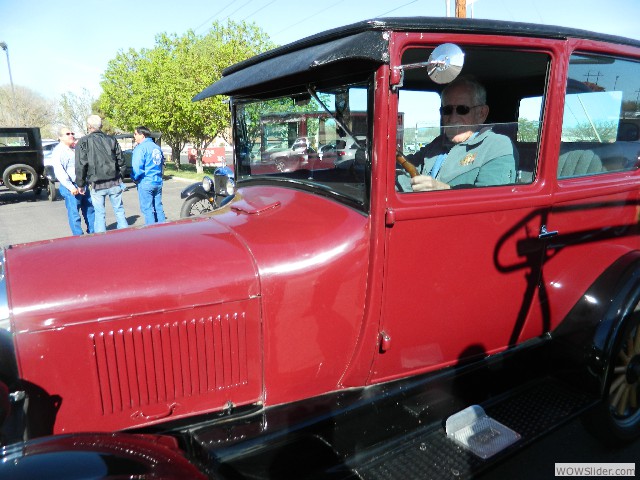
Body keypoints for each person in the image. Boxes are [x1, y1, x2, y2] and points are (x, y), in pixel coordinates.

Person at [397, 76, 517, 192]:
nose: (453, 118)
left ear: (481, 113)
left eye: (462, 109)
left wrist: (443, 190)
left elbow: (492, 201)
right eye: (447, 110)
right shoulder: (439, 144)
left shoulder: (498, 146)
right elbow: (407, 168)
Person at [75, 114, 128, 232]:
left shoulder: (83, 141)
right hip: (114, 181)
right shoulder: (111, 140)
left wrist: (80, 184)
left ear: (89, 126)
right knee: (119, 210)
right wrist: (120, 177)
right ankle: (126, 237)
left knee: (99, 214)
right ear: (101, 126)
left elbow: (81, 165)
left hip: (97, 184)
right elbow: (121, 161)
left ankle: (101, 242)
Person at [50, 127, 95, 235]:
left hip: (82, 184)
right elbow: (60, 171)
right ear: (60, 137)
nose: (71, 135)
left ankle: (93, 233)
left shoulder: (74, 149)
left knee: (89, 210)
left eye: (72, 133)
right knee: (74, 214)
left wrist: (84, 184)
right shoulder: (59, 151)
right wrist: (71, 187)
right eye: (67, 134)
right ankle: (78, 236)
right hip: (71, 187)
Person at [131, 126, 166, 224]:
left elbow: (137, 168)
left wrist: (134, 178)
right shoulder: (156, 147)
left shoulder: (140, 148)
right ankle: (163, 229)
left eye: (135, 134)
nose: (134, 136)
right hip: (157, 181)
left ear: (142, 135)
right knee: (158, 207)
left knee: (148, 209)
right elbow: (162, 163)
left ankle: (151, 232)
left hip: (146, 182)